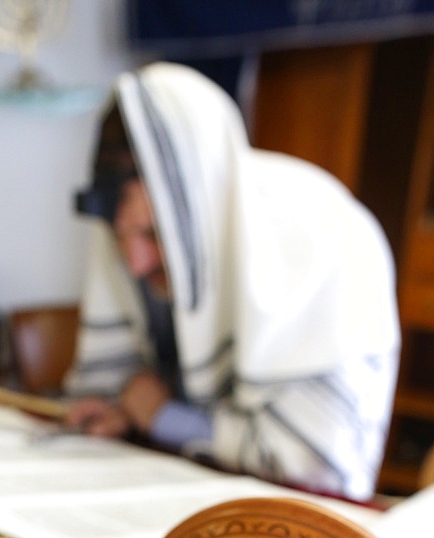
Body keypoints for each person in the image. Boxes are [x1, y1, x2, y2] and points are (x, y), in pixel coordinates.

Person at [62, 62, 400, 502]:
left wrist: (164, 417)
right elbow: (137, 387)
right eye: (118, 236)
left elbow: (318, 465)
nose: (134, 264)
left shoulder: (320, 238)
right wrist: (120, 410)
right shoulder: (149, 255)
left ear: (199, 210)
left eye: (153, 234)